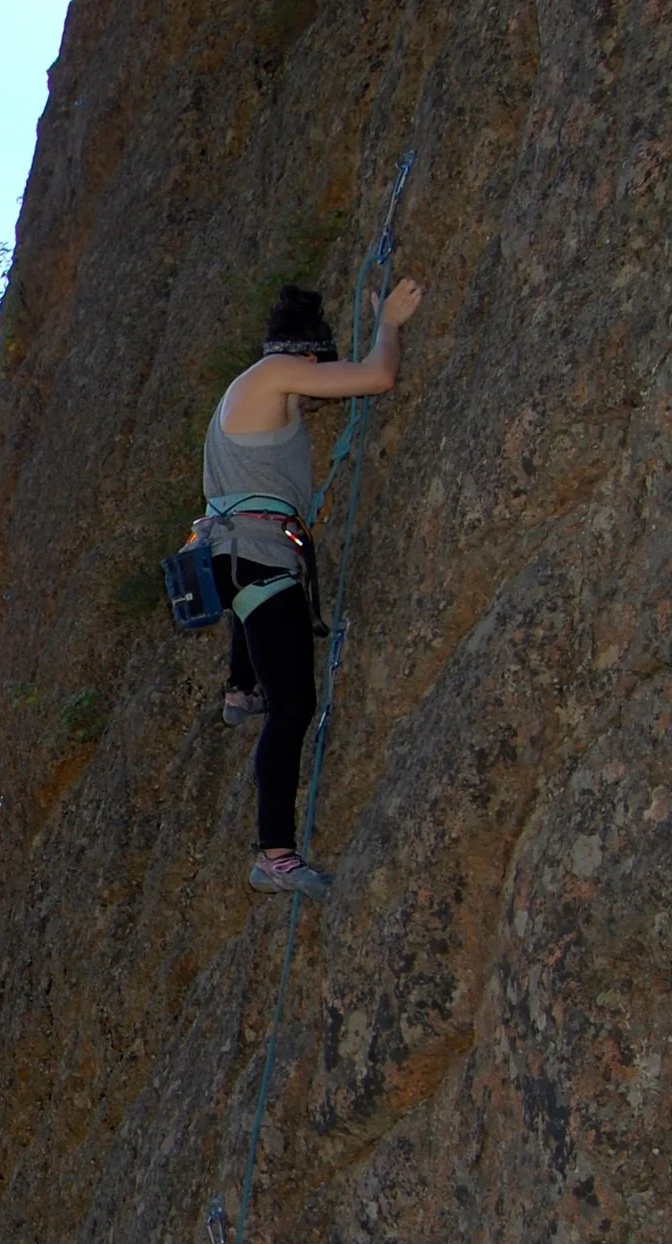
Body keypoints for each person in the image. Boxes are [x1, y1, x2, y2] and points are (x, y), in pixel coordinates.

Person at [207, 276, 425, 899]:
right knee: (295, 706)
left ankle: (241, 686)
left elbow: (339, 384)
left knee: (267, 649)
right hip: (260, 561)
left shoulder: (253, 389)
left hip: (243, 559)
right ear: (305, 359)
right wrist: (389, 325)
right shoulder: (275, 375)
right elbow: (376, 378)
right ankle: (274, 856)